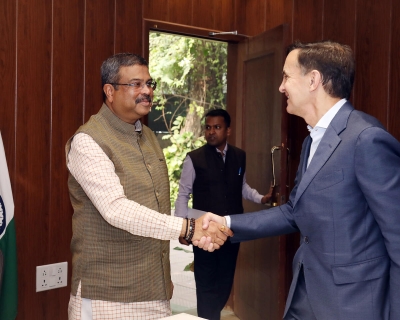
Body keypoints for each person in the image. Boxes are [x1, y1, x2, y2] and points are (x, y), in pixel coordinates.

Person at [199, 41, 400, 320]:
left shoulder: (366, 139)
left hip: (352, 304)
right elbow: (295, 211)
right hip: (304, 294)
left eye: (286, 76)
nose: (281, 87)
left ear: (313, 80)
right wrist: (227, 222)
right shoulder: (311, 141)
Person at [65, 53, 233, 320]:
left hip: (155, 290)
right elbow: (116, 209)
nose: (147, 91)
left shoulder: (149, 137)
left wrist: (190, 231)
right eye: (135, 84)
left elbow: (155, 207)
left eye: (149, 83)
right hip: (108, 296)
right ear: (109, 91)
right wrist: (188, 227)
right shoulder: (88, 141)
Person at [175, 108, 271, 320]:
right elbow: (183, 195)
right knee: (206, 281)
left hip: (231, 230)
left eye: (217, 127)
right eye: (208, 127)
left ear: (227, 130)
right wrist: (182, 229)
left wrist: (262, 198)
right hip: (204, 232)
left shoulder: (239, 156)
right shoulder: (194, 159)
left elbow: (243, 187)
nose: (211, 132)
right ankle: (208, 317)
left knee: (225, 281)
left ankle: (211, 315)